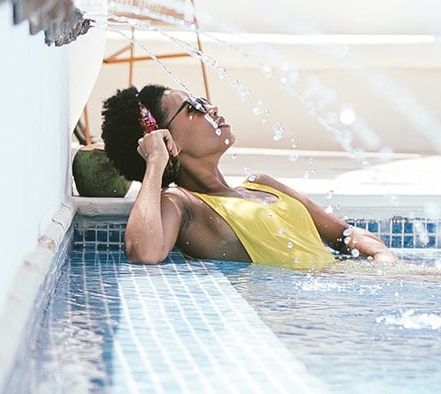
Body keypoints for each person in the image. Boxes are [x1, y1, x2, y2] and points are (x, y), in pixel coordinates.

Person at [100, 84, 399, 269]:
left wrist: (383, 259)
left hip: (359, 284)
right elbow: (145, 252)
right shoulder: (184, 205)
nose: (211, 108)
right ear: (167, 140)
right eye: (195, 107)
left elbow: (346, 235)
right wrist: (155, 162)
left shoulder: (262, 184)